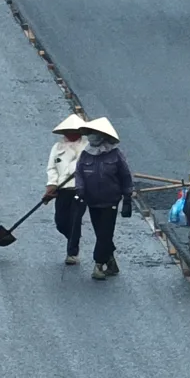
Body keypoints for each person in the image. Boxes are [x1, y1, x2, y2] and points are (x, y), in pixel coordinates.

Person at [73, 117, 133, 281]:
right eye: (90, 134)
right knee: (101, 234)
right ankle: (111, 261)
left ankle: (98, 265)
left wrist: (127, 197)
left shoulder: (115, 155)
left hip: (110, 201)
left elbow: (125, 176)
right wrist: (80, 192)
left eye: (95, 134)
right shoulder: (85, 156)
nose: (92, 137)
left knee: (105, 233)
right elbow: (79, 175)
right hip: (92, 202)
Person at [46, 115, 88, 265]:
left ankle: (72, 252)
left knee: (75, 219)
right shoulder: (57, 148)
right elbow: (52, 168)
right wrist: (51, 184)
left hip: (80, 189)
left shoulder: (87, 148)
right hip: (62, 190)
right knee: (61, 222)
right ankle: (73, 238)